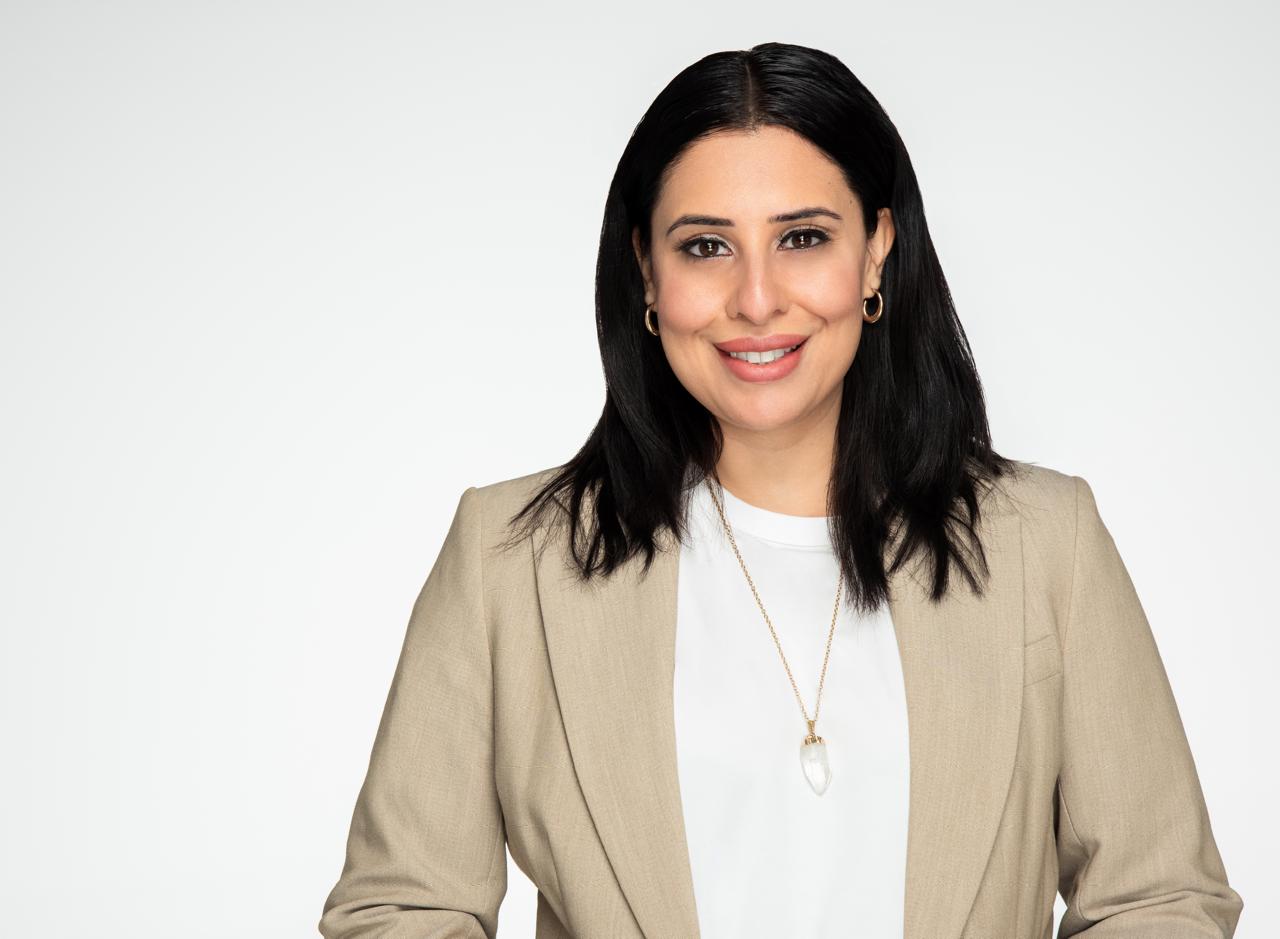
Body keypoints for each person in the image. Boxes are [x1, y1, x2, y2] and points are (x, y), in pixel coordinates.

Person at [318, 41, 1243, 939]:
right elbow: (400, 908)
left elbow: (1157, 898)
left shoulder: (1047, 543)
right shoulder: (507, 561)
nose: (757, 300)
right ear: (646, 271)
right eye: (705, 246)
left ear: (876, 251)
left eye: (803, 238)